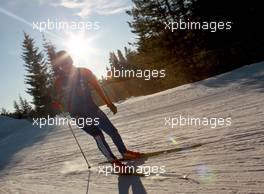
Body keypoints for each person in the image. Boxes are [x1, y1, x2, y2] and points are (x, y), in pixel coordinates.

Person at [52, 50, 141, 168]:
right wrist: (57, 104)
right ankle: (114, 162)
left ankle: (124, 152)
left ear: (71, 60)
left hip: (92, 109)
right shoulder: (59, 81)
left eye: (66, 62)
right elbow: (56, 98)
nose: (64, 66)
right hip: (78, 115)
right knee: (98, 135)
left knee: (112, 131)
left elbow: (98, 88)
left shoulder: (84, 72)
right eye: (61, 64)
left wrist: (109, 103)